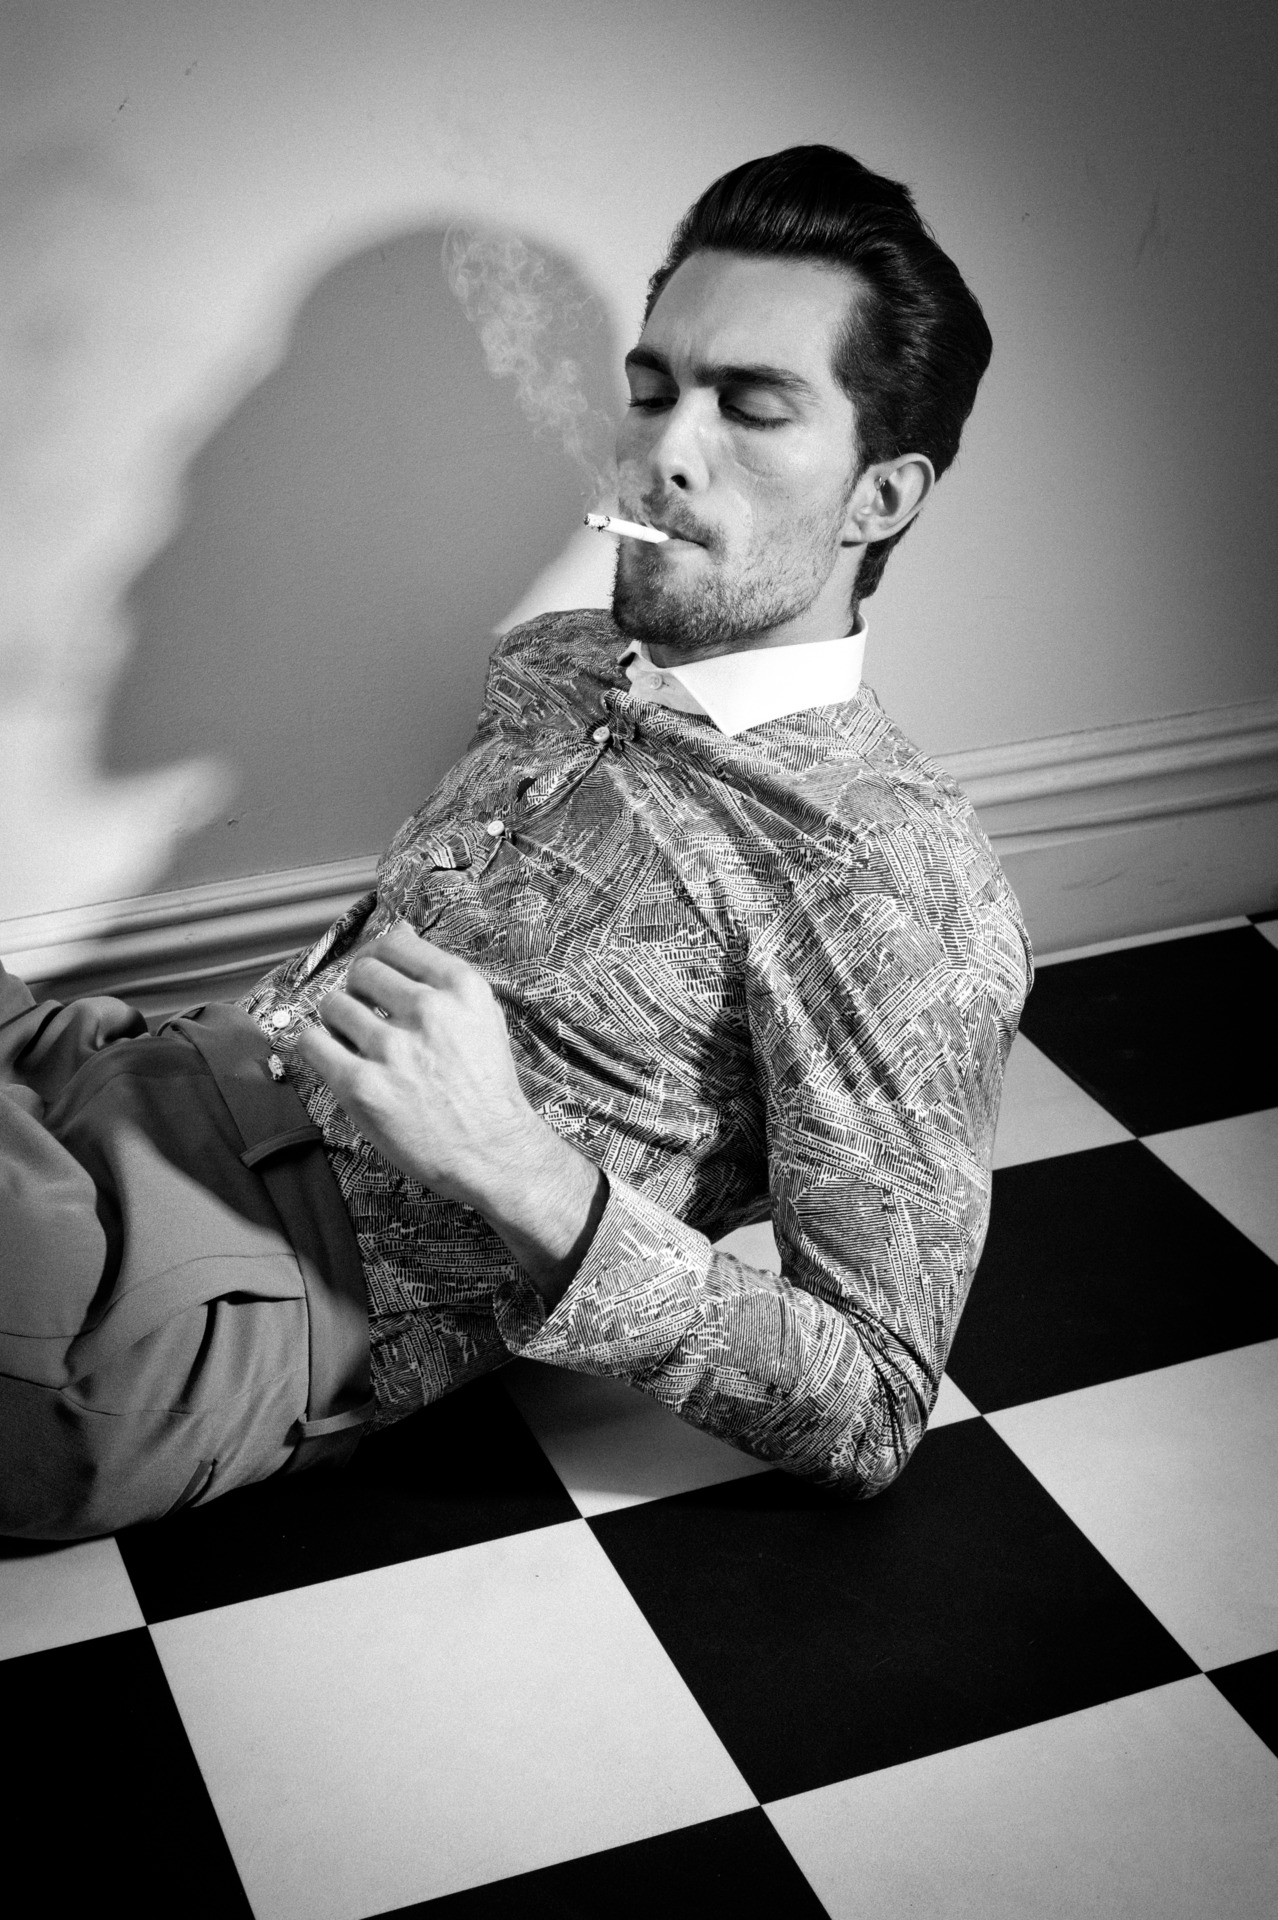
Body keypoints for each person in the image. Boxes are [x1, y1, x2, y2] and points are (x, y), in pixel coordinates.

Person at [0, 146, 1030, 1540]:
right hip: (114, 1069)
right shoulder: (559, 660)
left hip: (174, 1300)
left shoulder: (895, 888)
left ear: (879, 498)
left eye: (751, 408)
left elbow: (872, 1408)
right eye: (654, 390)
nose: (662, 451)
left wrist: (509, 1159)